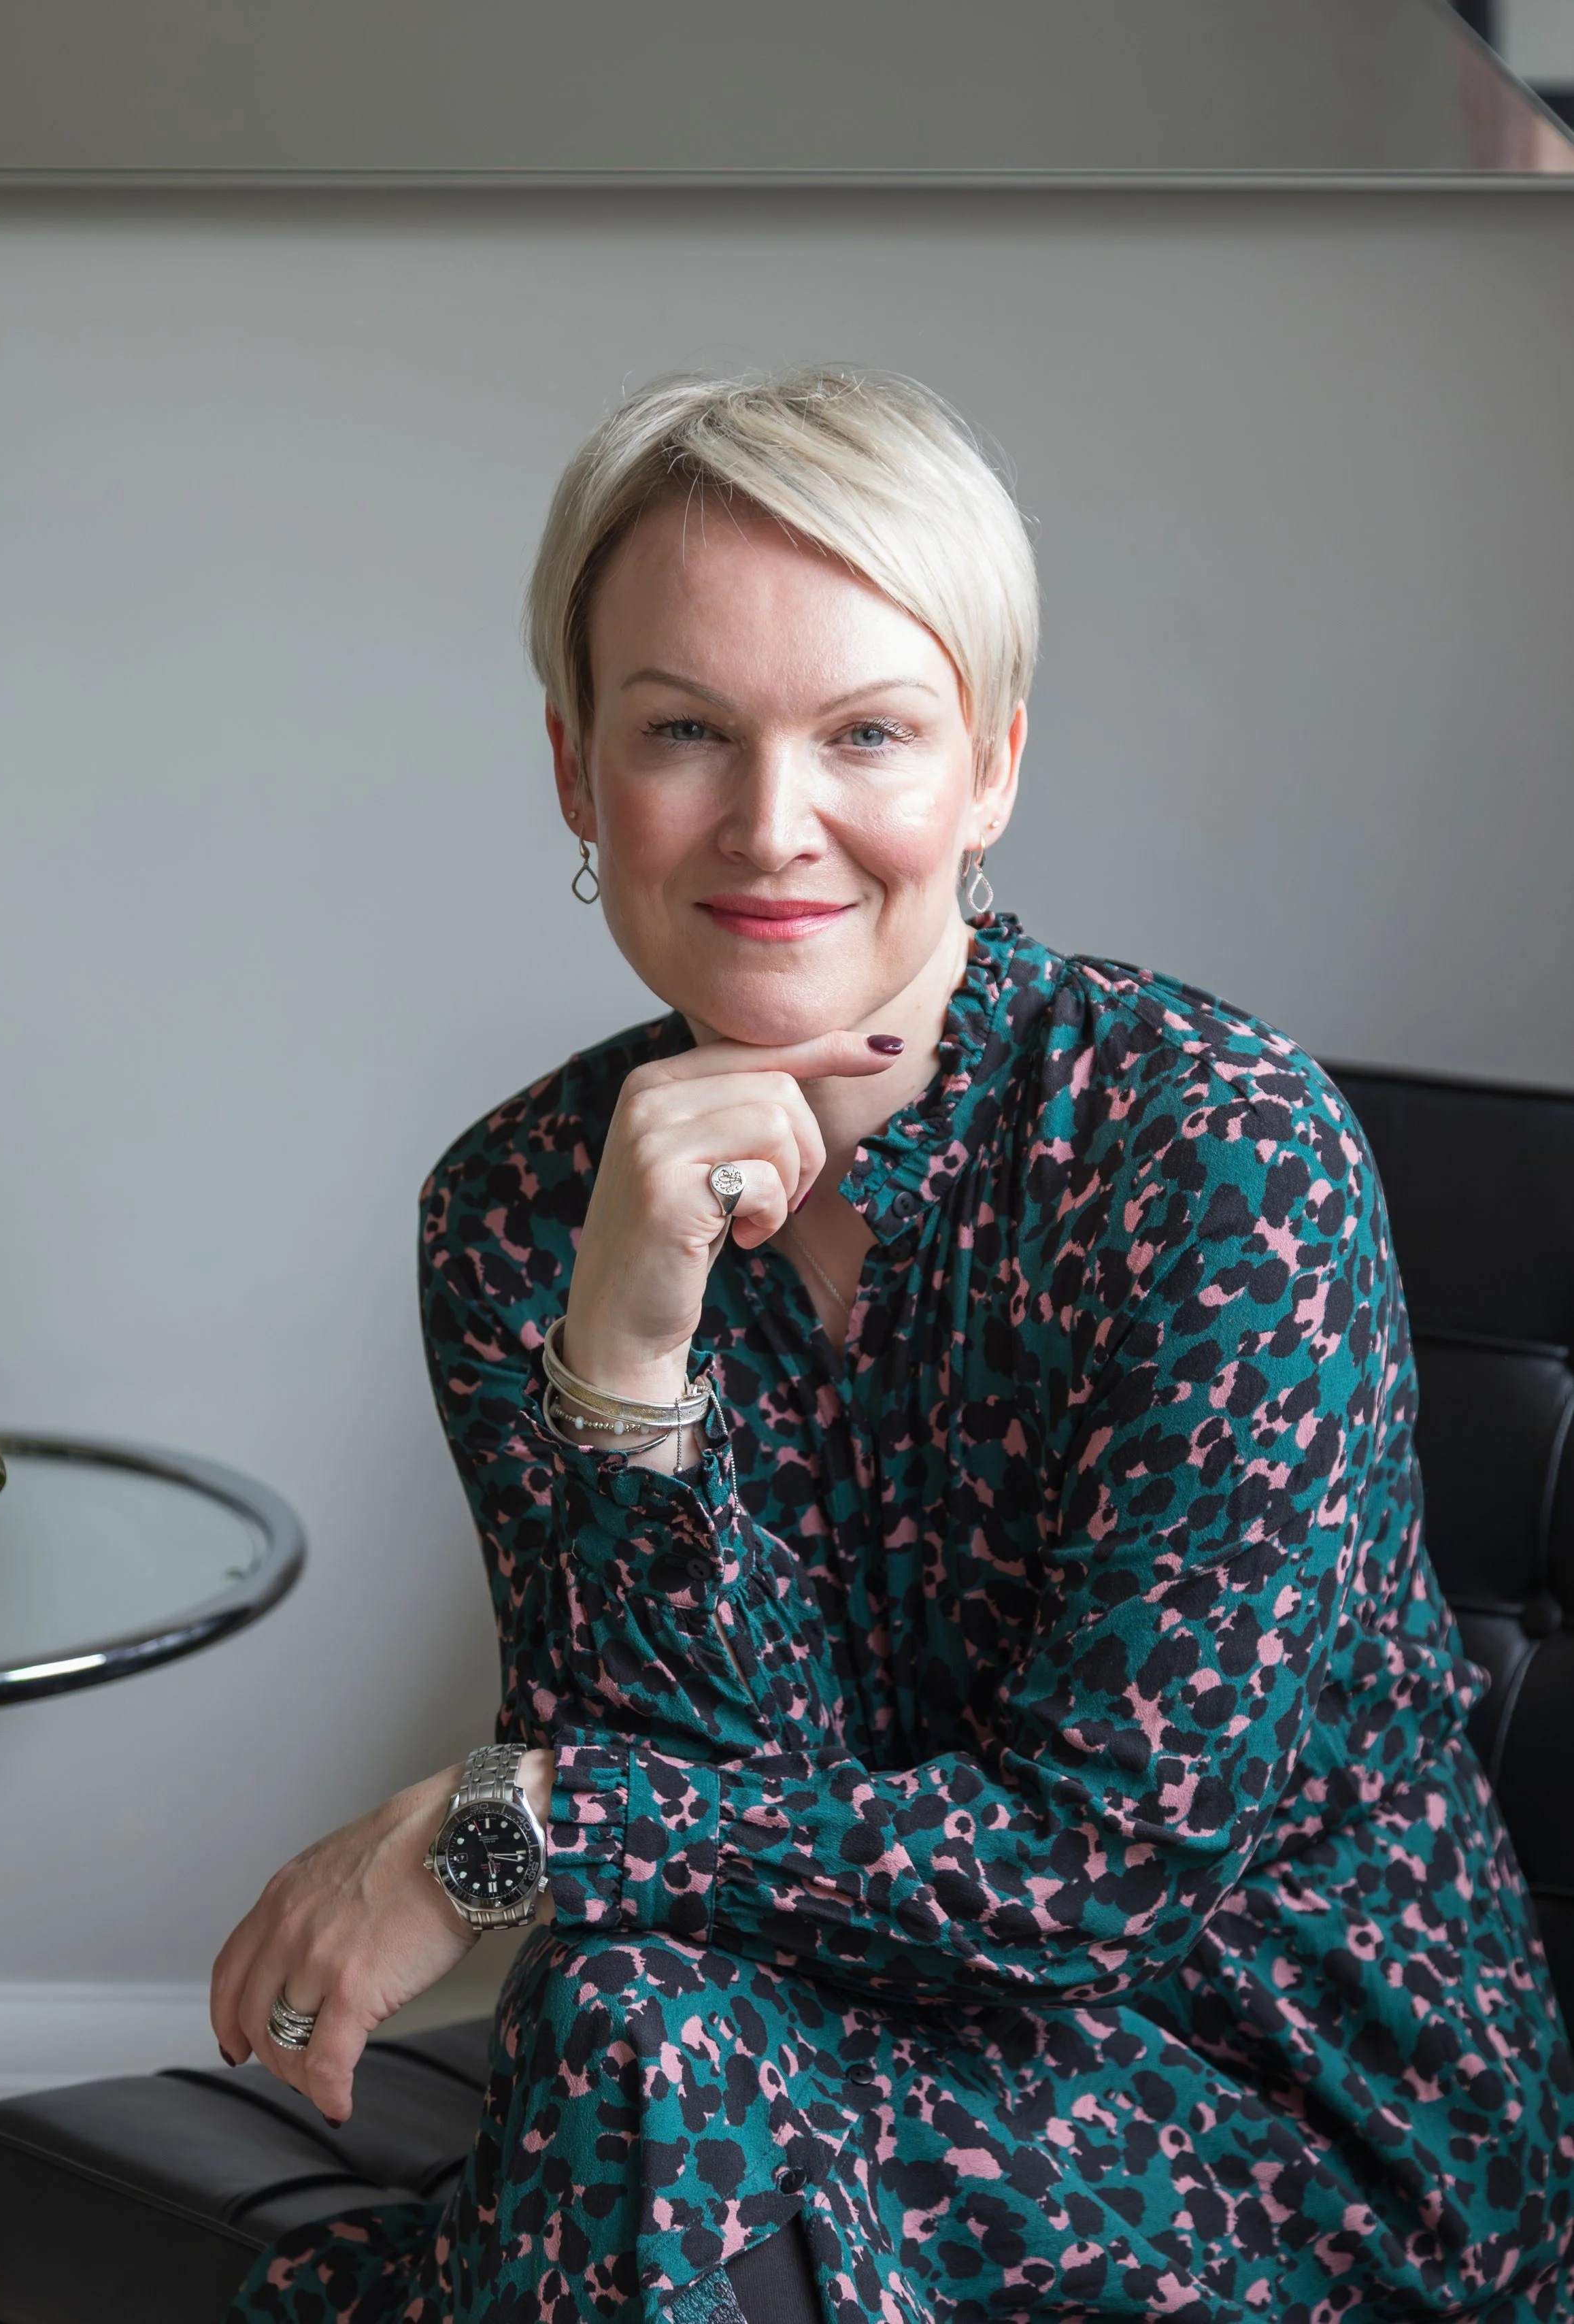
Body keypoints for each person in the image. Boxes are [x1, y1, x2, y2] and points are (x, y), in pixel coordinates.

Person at [214, 367, 1574, 2324]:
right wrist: (626, 1344)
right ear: (576, 772)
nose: (775, 828)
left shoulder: (1210, 1152)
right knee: (635, 2024)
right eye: (685, 731)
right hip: (805, 2061)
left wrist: (512, 1828)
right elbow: (688, 1802)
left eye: (866, 731)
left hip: (1302, 2116)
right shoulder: (525, 1205)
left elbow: (1098, 1870)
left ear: (989, 768)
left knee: (629, 2064)